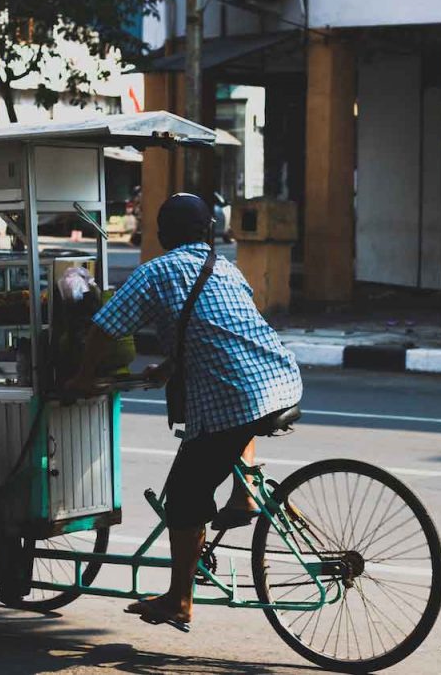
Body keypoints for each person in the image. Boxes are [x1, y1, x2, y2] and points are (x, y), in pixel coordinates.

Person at [67, 192, 302, 631]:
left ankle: (179, 599)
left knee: (183, 499)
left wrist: (83, 376)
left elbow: (104, 327)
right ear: (209, 232)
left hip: (236, 396)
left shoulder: (155, 271)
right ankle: (244, 492)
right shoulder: (227, 268)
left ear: (160, 235)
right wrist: (171, 367)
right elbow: (219, 330)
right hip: (281, 379)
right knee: (236, 415)